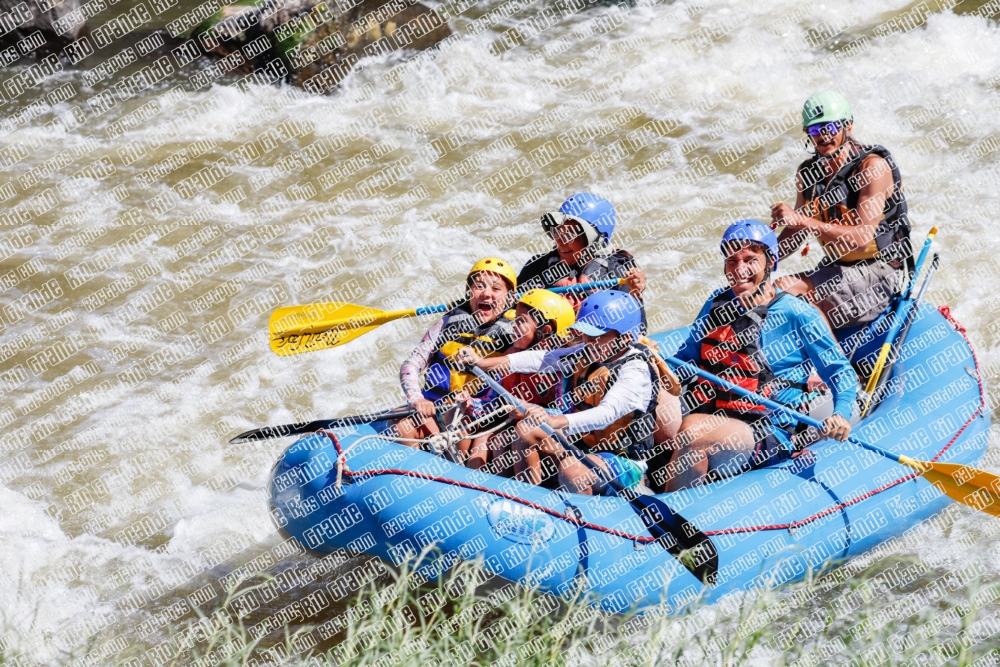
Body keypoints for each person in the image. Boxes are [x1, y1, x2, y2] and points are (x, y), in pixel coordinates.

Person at [662, 220, 859, 492]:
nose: (739, 270)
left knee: (695, 430)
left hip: (766, 432)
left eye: (750, 260)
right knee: (657, 402)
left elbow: (840, 372)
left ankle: (671, 519)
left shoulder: (795, 313)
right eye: (732, 261)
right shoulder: (716, 303)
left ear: (771, 263)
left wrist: (841, 415)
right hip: (712, 410)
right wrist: (656, 368)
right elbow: (687, 359)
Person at [459, 290, 662, 495]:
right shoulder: (592, 350)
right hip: (584, 446)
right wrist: (482, 363)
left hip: (624, 460)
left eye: (596, 336)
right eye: (585, 333)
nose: (587, 340)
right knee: (526, 429)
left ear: (624, 338)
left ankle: (580, 518)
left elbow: (606, 414)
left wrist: (554, 421)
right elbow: (541, 359)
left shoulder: (636, 370)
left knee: (572, 470)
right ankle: (528, 499)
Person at [771, 91, 912, 332]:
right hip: (835, 268)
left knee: (784, 288)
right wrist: (759, 256)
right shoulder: (808, 174)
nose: (823, 136)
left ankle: (836, 368)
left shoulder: (872, 168)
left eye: (830, 126)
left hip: (876, 275)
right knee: (763, 290)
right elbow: (795, 235)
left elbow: (862, 239)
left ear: (848, 125)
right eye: (815, 130)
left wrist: (803, 220)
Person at [396, 258, 517, 443]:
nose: (486, 293)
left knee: (461, 421)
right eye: (479, 286)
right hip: (434, 409)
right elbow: (410, 365)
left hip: (478, 416)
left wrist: (473, 404)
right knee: (401, 423)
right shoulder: (447, 323)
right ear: (469, 292)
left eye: (496, 288)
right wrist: (417, 399)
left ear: (510, 297)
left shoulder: (516, 333)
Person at [463, 289, 576, 472]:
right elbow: (492, 400)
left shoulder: (562, 367)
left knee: (516, 434)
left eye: (520, 321)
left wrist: (526, 411)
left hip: (552, 437)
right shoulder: (510, 355)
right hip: (517, 430)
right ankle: (470, 483)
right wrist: (471, 404)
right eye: (514, 319)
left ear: (544, 331)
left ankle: (524, 493)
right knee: (488, 437)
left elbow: (566, 412)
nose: (513, 326)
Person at [517, 192, 648, 315]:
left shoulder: (618, 274)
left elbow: (634, 329)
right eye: (557, 232)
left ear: (595, 240)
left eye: (569, 234)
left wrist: (634, 292)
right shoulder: (537, 266)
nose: (560, 241)